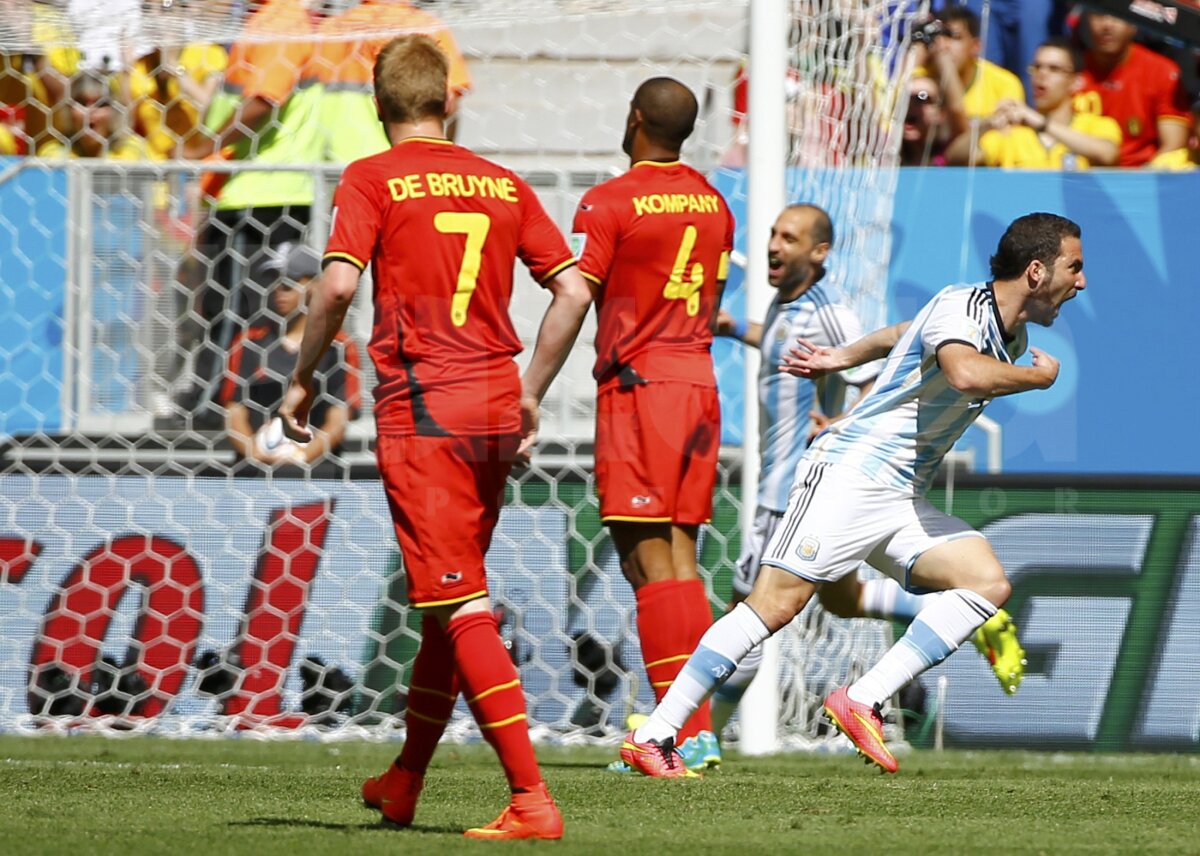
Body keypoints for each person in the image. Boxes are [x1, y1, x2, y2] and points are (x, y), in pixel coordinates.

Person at [621, 212, 1084, 777]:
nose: (1080, 281)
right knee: (772, 606)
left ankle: (861, 699)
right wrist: (1038, 380)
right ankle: (655, 734)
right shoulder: (966, 307)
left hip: (898, 495)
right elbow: (962, 372)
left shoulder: (1004, 328)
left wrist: (845, 356)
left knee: (985, 582)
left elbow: (905, 332)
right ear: (1036, 271)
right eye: (1073, 267)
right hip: (851, 475)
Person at [278, 35, 592, 839]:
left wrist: (304, 378)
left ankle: (531, 800)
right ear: (449, 101)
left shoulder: (372, 176)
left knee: (458, 601)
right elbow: (572, 290)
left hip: (425, 405)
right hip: (492, 402)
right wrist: (530, 394)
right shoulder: (500, 180)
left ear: (377, 105)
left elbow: (339, 285)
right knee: (444, 604)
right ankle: (406, 779)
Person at [707, 204, 1025, 741]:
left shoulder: (832, 312)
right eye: (772, 234)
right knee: (842, 599)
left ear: (819, 252)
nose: (774, 245)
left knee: (749, 611)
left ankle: (693, 737)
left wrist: (840, 419)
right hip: (805, 483)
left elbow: (883, 373)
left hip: (801, 487)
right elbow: (790, 346)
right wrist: (734, 325)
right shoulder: (787, 307)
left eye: (789, 236)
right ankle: (978, 616)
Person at [570, 77, 734, 772]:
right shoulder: (715, 203)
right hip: (697, 381)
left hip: (641, 386)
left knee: (646, 563)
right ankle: (696, 730)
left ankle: (678, 733)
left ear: (634, 118)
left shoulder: (609, 201)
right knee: (682, 560)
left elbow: (581, 291)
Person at [174, 0, 322, 427]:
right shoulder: (264, 20)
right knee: (231, 304)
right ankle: (233, 402)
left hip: (260, 191)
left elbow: (265, 100)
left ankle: (213, 406)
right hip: (248, 189)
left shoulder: (282, 20)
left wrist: (207, 147)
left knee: (238, 308)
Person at [220, 243, 360, 468]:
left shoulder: (338, 347)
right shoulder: (248, 342)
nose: (279, 290)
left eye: (289, 283)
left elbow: (339, 420)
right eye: (275, 281)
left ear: (314, 285)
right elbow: (233, 412)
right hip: (254, 476)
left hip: (318, 475)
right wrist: (255, 453)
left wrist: (300, 457)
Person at [313, 0, 471, 160]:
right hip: (404, 166)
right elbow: (452, 100)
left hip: (331, 161)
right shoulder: (426, 27)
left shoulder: (330, 30)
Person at [945, 38, 1120, 169]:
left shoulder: (1096, 125)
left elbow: (1107, 154)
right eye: (1037, 67)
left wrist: (1041, 123)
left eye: (1054, 69)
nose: (1041, 75)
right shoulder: (1012, 133)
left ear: (1076, 82)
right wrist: (986, 124)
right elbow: (955, 158)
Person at [1076, 13, 1189, 167]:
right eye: (1099, 15)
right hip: (1080, 177)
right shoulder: (1069, 72)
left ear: (1134, 23)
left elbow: (1173, 145)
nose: (1107, 25)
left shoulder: (1162, 71)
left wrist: (1139, 183)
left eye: (1117, 16)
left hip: (1144, 176)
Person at [916, 6, 1025, 140]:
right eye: (939, 37)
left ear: (976, 46)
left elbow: (969, 141)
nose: (944, 45)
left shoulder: (1004, 83)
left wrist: (947, 70)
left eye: (954, 37)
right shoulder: (920, 79)